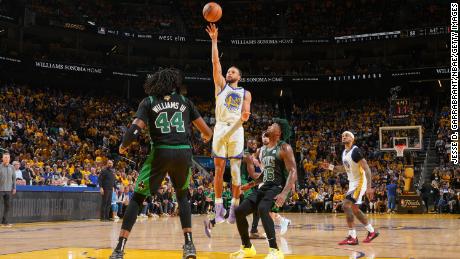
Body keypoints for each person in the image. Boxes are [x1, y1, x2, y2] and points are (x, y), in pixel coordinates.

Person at [109, 68, 213, 259]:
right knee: (182, 197)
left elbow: (134, 130)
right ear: (174, 84)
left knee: (138, 198)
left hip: (161, 152)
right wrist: (206, 137)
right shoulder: (185, 101)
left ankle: (119, 248)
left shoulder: (148, 101)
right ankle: (189, 245)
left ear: (155, 85)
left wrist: (123, 145)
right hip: (183, 153)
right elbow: (206, 131)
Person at [206, 23, 252, 224]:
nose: (229, 73)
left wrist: (245, 115)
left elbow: (246, 111)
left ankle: (234, 207)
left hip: (236, 129)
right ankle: (218, 208)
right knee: (218, 168)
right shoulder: (221, 86)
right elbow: (216, 63)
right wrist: (214, 40)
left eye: (233, 72)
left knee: (235, 170)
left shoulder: (245, 92)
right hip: (221, 127)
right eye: (228, 71)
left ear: (239, 77)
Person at [231, 119, 297, 259]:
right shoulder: (264, 150)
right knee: (239, 212)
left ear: (278, 132)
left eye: (272, 125)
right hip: (264, 186)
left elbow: (293, 171)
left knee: (262, 209)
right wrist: (251, 184)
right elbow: (265, 174)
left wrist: (284, 193)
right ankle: (247, 247)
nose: (269, 126)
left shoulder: (284, 148)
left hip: (276, 187)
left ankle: (275, 250)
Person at [321, 131, 379, 245]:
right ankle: (372, 232)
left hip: (360, 182)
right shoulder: (344, 153)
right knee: (355, 209)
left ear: (352, 139)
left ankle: (352, 237)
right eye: (342, 135)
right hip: (353, 183)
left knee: (346, 205)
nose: (343, 137)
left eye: (346, 135)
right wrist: (330, 167)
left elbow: (367, 168)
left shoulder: (355, 151)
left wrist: (369, 187)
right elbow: (343, 168)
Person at [0, 152, 16, 227]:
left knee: (7, 207)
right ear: (2, 158)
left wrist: (14, 188)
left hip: (8, 190)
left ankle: (4, 222)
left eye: (8, 157)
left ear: (10, 159)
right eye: (5, 157)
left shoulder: (12, 167)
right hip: (0, 190)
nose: (6, 159)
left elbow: (14, 178)